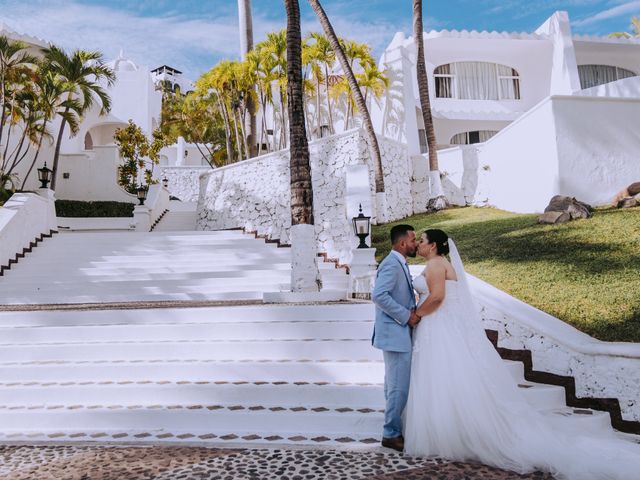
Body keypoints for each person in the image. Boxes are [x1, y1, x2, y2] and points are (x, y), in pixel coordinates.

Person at [404, 228, 640, 479]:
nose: (418, 244)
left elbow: (438, 297)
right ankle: (448, 429)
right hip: (440, 327)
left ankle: (453, 432)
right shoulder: (438, 263)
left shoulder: (437, 264)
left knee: (445, 376)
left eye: (422, 240)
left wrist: (417, 314)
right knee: (444, 378)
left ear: (434, 246)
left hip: (440, 327)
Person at [371, 224, 420, 452]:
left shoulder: (399, 262)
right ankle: (391, 434)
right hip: (395, 332)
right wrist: (406, 316)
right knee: (398, 387)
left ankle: (393, 428)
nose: (416, 243)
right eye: (413, 239)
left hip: (396, 333)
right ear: (402, 243)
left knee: (393, 384)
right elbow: (379, 295)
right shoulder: (392, 263)